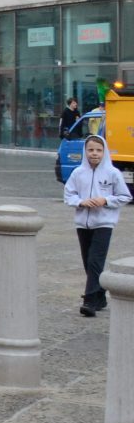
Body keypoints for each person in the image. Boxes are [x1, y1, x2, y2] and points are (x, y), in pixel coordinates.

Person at [67, 134, 132, 317]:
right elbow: (69, 195)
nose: (94, 154)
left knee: (96, 260)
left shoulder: (113, 173)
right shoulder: (78, 173)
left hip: (104, 223)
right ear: (85, 151)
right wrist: (80, 202)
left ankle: (89, 301)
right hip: (83, 223)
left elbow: (124, 196)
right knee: (88, 261)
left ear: (104, 152)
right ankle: (100, 295)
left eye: (98, 150)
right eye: (90, 150)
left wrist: (105, 200)